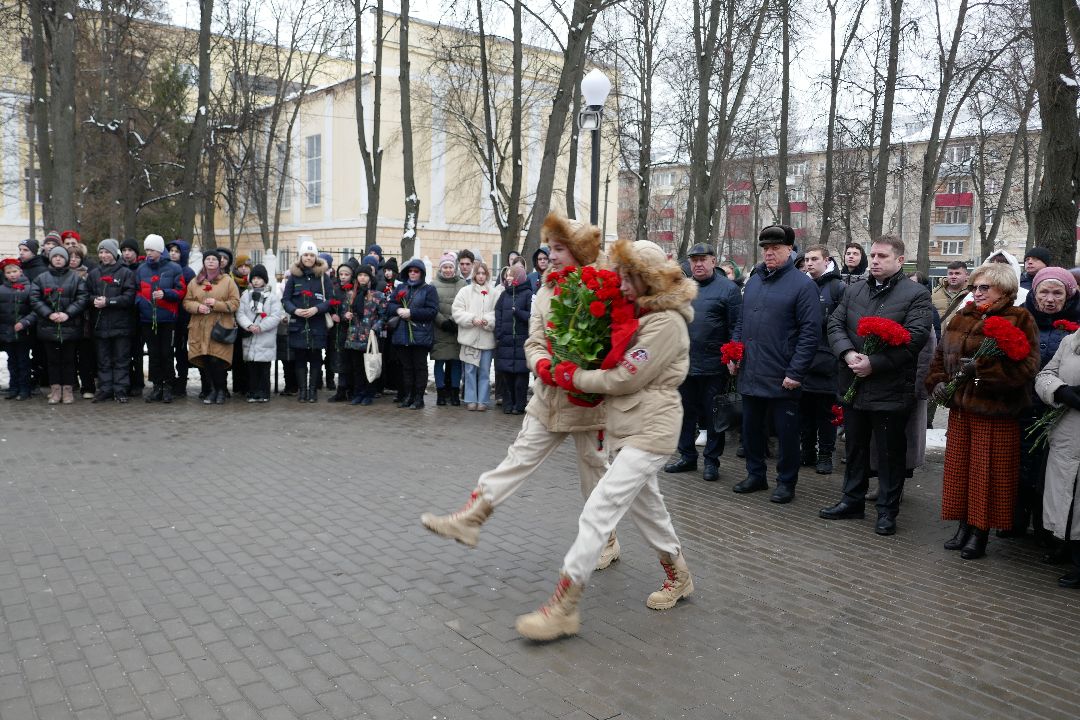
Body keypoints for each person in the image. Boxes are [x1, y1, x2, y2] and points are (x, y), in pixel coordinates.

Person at [514, 238, 698, 641]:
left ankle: (562, 608)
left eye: (629, 278)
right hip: (630, 428)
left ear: (648, 279)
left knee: (598, 508)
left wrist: (574, 377)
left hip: (651, 431)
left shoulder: (666, 323)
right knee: (650, 511)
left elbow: (624, 377)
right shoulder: (641, 314)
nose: (622, 285)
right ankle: (679, 575)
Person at [419, 214, 613, 569]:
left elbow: (613, 344)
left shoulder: (604, 288)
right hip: (548, 397)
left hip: (588, 402)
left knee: (594, 474)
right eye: (550, 249)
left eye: (559, 249)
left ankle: (607, 539)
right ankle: (471, 518)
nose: (550, 256)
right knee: (517, 459)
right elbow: (535, 339)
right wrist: (542, 364)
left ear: (580, 251)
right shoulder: (546, 290)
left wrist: (585, 373)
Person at [818, 237, 933, 535]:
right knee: (855, 448)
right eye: (873, 255)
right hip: (853, 382)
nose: (876, 260)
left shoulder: (916, 295)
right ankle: (852, 500)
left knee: (889, 453)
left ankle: (887, 511)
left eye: (883, 256)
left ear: (900, 260)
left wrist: (875, 363)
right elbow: (835, 324)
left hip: (890, 387)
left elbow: (914, 338)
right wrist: (847, 353)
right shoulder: (855, 290)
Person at [926, 262, 1040, 559]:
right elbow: (940, 355)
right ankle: (963, 525)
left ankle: (980, 532)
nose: (977, 292)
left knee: (986, 474)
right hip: (961, 411)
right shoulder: (963, 316)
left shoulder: (1019, 318)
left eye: (984, 287)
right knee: (960, 471)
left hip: (994, 412)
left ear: (1004, 290)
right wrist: (938, 382)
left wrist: (982, 372)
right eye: (975, 287)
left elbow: (1027, 368)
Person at [729, 225, 821, 503]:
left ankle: (786, 482)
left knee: (786, 433)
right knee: (751, 429)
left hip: (783, 374)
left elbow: (810, 334)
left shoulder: (803, 285)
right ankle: (755, 475)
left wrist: (796, 372)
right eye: (766, 248)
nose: (769, 252)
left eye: (775, 248)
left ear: (790, 250)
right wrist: (733, 353)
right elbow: (741, 322)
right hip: (751, 369)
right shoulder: (754, 281)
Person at [1009, 267, 1080, 543]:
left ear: (1069, 295)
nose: (1050, 299)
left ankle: (1046, 529)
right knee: (1018, 465)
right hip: (1021, 405)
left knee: (1051, 473)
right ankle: (1015, 520)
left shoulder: (1076, 327)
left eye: (1057, 293)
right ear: (1034, 292)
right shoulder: (1019, 319)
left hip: (1061, 412)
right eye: (1044, 292)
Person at [663, 242, 741, 482]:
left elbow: (736, 326)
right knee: (684, 414)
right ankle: (687, 456)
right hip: (684, 363)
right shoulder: (683, 288)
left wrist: (733, 357)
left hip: (714, 365)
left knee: (712, 415)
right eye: (694, 260)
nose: (697, 264)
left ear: (713, 261)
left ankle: (711, 461)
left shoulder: (728, 289)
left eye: (702, 259)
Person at [1034, 323, 1080, 587]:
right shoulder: (1070, 341)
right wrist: (1060, 390)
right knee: (1065, 496)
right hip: (1068, 434)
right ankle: (1069, 549)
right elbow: (1046, 374)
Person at [797, 244, 845, 474]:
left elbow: (842, 323)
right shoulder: (801, 285)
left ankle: (825, 454)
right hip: (803, 359)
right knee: (804, 410)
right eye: (807, 259)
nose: (809, 263)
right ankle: (807, 451)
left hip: (828, 362)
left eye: (814, 259)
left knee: (826, 412)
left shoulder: (838, 287)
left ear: (827, 261)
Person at [29, 246, 89, 404]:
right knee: (52, 361)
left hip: (70, 326)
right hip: (48, 326)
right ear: (50, 259)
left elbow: (82, 298)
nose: (58, 259)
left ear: (66, 260)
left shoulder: (76, 278)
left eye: (61, 257)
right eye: (55, 256)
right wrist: (49, 313)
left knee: (69, 360)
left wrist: (67, 313)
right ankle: (55, 390)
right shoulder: (41, 278)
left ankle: (68, 390)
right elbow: (34, 298)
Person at [183, 251, 241, 405]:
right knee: (206, 359)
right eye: (207, 259)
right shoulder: (195, 282)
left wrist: (217, 304)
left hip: (219, 327)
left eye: (214, 259)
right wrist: (198, 307)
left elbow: (235, 303)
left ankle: (221, 390)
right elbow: (186, 302)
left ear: (219, 262)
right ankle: (212, 390)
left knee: (217, 359)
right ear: (203, 262)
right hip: (200, 327)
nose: (210, 261)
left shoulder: (227, 281)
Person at [135, 234, 185, 404]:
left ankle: (168, 386)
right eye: (147, 249)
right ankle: (157, 386)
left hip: (167, 319)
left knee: (167, 353)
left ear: (160, 250)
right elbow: (136, 290)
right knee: (154, 354)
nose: (149, 253)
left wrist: (166, 294)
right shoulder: (141, 269)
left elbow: (181, 291)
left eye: (152, 249)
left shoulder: (174, 268)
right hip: (148, 318)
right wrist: (141, 302)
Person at [281, 241, 333, 403]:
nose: (308, 258)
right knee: (300, 358)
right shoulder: (294, 277)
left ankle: (313, 391)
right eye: (305, 255)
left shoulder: (323, 277)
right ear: (301, 257)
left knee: (316, 358)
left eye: (311, 255)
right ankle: (302, 391)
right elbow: (285, 300)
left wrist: (317, 309)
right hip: (298, 324)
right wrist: (295, 310)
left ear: (316, 257)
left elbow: (330, 300)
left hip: (317, 324)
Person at [87, 239, 137, 403]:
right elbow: (86, 295)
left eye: (107, 252)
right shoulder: (94, 273)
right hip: (100, 325)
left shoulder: (126, 273)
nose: (104, 255)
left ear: (114, 254)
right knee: (103, 360)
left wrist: (109, 302)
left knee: (121, 360)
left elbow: (129, 297)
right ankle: (105, 389)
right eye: (101, 252)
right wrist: (94, 300)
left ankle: (120, 390)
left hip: (121, 325)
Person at [386, 258, 439, 409]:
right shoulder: (401, 287)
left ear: (421, 273)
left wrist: (412, 313)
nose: (413, 274)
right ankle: (408, 395)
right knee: (406, 367)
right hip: (402, 334)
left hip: (420, 334)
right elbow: (390, 306)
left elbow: (432, 311)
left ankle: (418, 398)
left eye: (416, 271)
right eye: (410, 271)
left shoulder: (429, 289)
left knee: (419, 367)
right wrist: (398, 309)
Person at [452, 261, 497, 411]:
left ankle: (483, 400)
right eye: (478, 273)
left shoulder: (494, 293)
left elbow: (497, 312)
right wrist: (471, 319)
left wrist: (487, 320)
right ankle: (470, 399)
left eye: (483, 273)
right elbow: (457, 311)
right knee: (469, 371)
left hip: (486, 339)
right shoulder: (465, 292)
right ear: (474, 275)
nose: (481, 276)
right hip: (469, 339)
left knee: (484, 371)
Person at [339, 263, 386, 405]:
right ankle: (358, 393)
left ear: (370, 278)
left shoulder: (377, 296)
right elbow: (343, 313)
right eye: (360, 275)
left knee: (369, 366)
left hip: (370, 337)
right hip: (353, 337)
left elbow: (384, 316)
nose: (362, 278)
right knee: (357, 368)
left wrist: (375, 328)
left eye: (365, 275)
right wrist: (345, 315)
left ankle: (369, 394)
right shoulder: (350, 295)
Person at [236, 264, 282, 403]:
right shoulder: (245, 296)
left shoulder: (272, 297)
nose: (256, 281)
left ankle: (264, 392)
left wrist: (261, 327)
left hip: (265, 337)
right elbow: (240, 313)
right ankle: (252, 391)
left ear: (265, 280)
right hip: (250, 336)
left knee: (264, 368)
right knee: (251, 367)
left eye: (259, 278)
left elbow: (275, 316)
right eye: (254, 278)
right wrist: (249, 325)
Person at [494, 262, 533, 415]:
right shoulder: (504, 295)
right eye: (507, 275)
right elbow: (498, 314)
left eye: (511, 275)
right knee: (507, 376)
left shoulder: (528, 294)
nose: (508, 278)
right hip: (506, 342)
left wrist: (519, 312)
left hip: (522, 342)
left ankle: (519, 405)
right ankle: (508, 404)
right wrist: (499, 334)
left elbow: (531, 316)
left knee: (520, 378)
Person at [432, 252, 466, 407]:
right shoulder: (433, 285)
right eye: (445, 267)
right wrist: (443, 322)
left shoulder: (462, 284)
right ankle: (440, 394)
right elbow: (432, 306)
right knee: (439, 362)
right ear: (440, 268)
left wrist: (454, 321)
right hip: (440, 330)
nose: (447, 270)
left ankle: (454, 394)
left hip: (457, 329)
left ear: (455, 268)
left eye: (450, 267)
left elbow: (465, 305)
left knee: (456, 363)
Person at [0, 258, 35, 400]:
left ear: (20, 271)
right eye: (8, 272)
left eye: (14, 271)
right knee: (11, 361)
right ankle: (13, 388)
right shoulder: (1, 290)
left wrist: (25, 322)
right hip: (6, 332)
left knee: (23, 361)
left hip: (24, 332)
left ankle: (25, 389)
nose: (12, 275)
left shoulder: (29, 288)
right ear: (4, 274)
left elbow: (35, 310)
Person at [67, 243, 97, 399]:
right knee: (69, 356)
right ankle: (71, 384)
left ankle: (88, 387)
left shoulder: (88, 274)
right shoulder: (62, 274)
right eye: (70, 257)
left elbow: (91, 294)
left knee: (86, 356)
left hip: (85, 321)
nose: (73, 260)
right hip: (67, 321)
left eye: (77, 257)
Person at [167, 240, 196, 397]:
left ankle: (182, 379)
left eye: (177, 251)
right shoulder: (165, 268)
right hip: (167, 316)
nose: (173, 254)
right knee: (167, 351)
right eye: (171, 250)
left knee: (181, 350)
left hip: (183, 317)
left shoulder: (188, 273)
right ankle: (169, 379)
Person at [326, 263, 357, 402]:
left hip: (353, 329)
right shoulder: (335, 289)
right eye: (341, 274)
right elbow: (329, 304)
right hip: (338, 330)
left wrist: (347, 316)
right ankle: (341, 389)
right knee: (340, 359)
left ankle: (352, 389)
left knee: (352, 360)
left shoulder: (355, 290)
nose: (343, 277)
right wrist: (333, 314)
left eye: (346, 274)